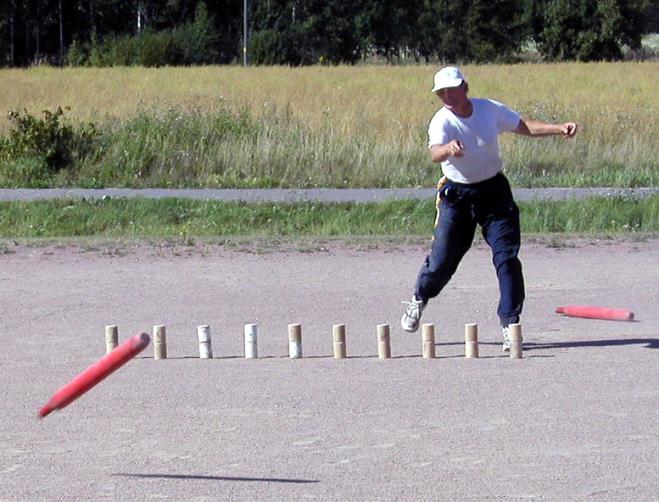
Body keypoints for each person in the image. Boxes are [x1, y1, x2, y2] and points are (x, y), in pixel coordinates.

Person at [400, 66, 578, 350]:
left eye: (451, 89)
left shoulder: (488, 110)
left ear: (465, 87)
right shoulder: (441, 121)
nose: (447, 96)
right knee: (443, 261)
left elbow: (524, 126)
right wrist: (448, 149)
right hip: (457, 197)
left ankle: (510, 324)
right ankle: (420, 298)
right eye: (441, 92)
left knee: (506, 258)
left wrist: (559, 128)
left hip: (494, 193)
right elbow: (435, 153)